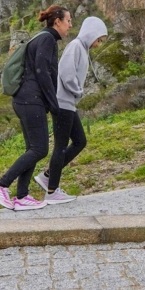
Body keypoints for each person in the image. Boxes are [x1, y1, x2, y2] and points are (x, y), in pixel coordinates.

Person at [0, 5, 71, 211]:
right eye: (68, 20)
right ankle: (1, 185)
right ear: (57, 21)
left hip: (25, 100)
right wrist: (54, 104)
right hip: (30, 100)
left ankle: (22, 196)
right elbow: (43, 72)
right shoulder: (47, 39)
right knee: (40, 149)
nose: (70, 25)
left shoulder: (42, 38)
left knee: (32, 148)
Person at [34, 16, 108, 203]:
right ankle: (52, 191)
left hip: (68, 104)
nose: (98, 44)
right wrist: (78, 91)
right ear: (92, 34)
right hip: (63, 103)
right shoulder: (75, 46)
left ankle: (48, 175)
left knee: (80, 141)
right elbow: (66, 74)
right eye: (99, 40)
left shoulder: (82, 49)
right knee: (60, 146)